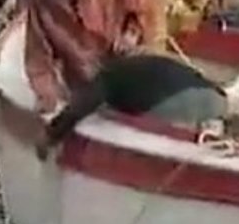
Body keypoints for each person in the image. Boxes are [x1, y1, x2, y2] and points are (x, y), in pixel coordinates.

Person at [34, 16, 227, 160]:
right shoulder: (148, 61)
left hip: (176, 104)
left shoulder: (110, 74)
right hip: (215, 99)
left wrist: (51, 135)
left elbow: (82, 105)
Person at [24, 0, 159, 114]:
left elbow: (149, 4)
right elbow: (37, 54)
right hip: (83, 86)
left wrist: (133, 33)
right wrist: (46, 95)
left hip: (133, 74)